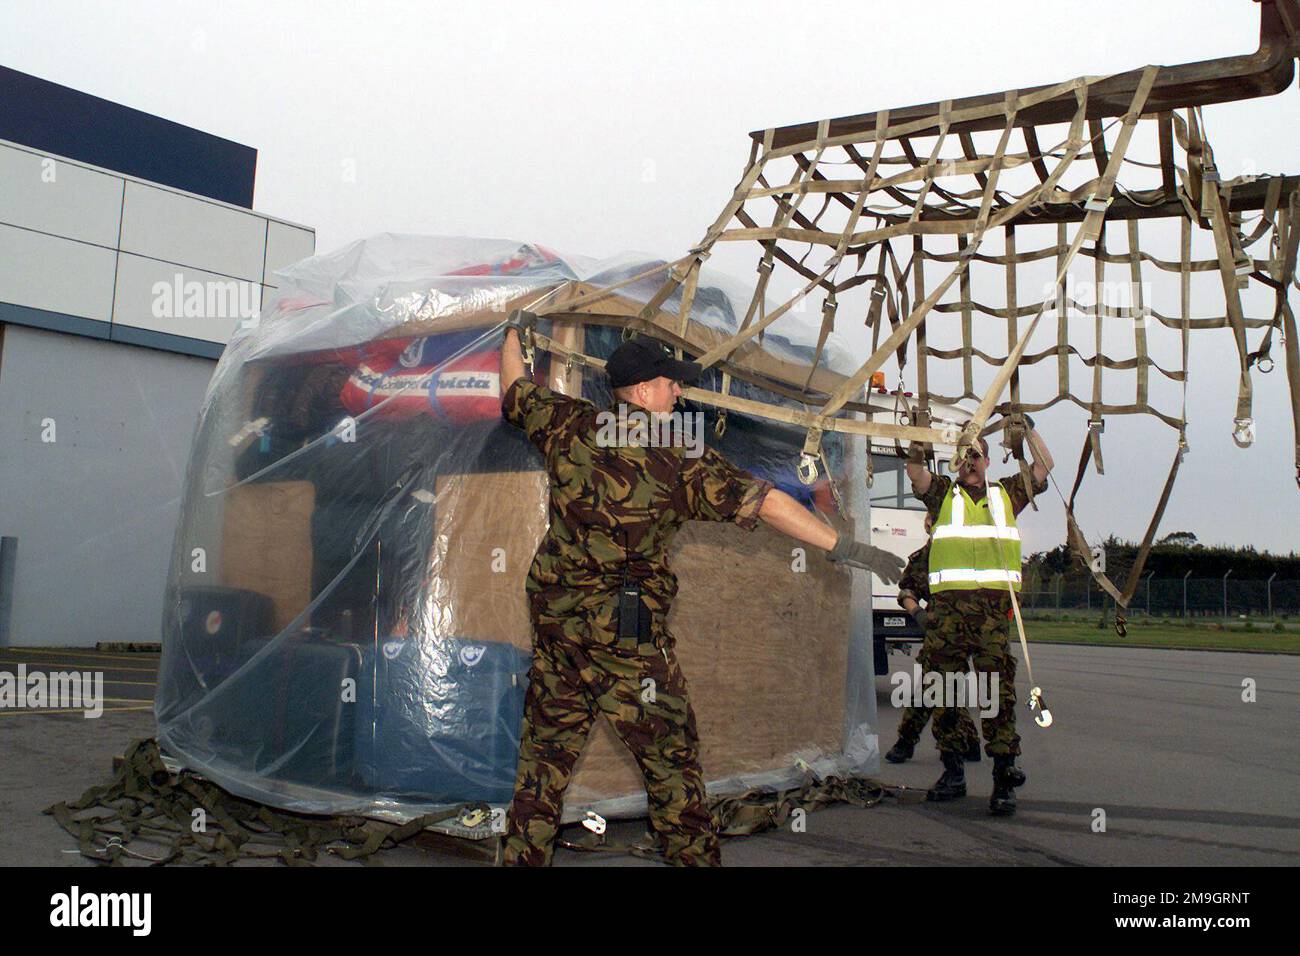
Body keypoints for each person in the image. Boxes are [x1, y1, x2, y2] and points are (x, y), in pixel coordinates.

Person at [497, 312, 905, 865]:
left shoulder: (567, 422)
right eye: (670, 382)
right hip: (628, 646)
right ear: (643, 390)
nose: (678, 390)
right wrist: (846, 549)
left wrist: (513, 333)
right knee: (673, 776)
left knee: (541, 773)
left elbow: (514, 389)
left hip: (559, 638)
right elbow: (768, 503)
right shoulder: (678, 457)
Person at [904, 422, 1051, 815]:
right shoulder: (941, 494)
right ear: (956, 462)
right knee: (945, 696)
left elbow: (1043, 466)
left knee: (998, 699)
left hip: (990, 619)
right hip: (948, 618)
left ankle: (1004, 780)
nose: (971, 462)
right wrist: (919, 438)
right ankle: (953, 774)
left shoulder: (1006, 494)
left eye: (977, 455)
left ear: (987, 460)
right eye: (965, 456)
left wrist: (1028, 431)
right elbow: (915, 472)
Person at [884, 512, 983, 765]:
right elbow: (907, 589)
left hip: (970, 629)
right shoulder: (925, 557)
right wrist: (917, 613)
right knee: (938, 685)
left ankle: (908, 742)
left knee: (942, 686)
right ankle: (914, 742)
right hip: (939, 630)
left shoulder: (971, 551)